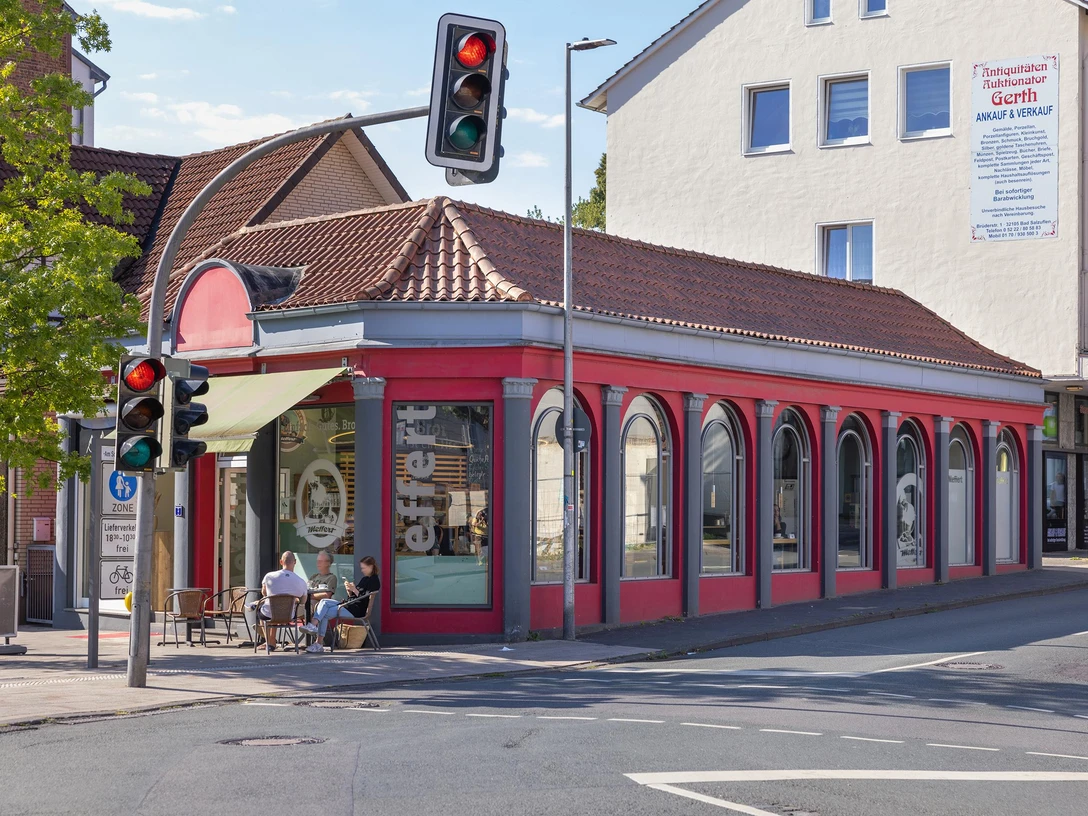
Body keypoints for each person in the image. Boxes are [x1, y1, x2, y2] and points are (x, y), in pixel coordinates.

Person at [301, 556, 380, 653]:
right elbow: (355, 596)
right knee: (324, 601)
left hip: (355, 610)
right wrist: (349, 590)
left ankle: (318, 643)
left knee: (324, 613)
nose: (362, 570)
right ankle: (313, 626)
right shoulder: (364, 579)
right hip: (349, 604)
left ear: (371, 566)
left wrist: (354, 589)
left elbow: (364, 599)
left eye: (363, 568)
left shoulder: (374, 581)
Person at [257, 551, 308, 654]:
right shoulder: (301, 581)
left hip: (269, 613)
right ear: (295, 562)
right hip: (289, 615)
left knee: (263, 609)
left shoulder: (269, 576)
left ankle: (269, 642)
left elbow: (264, 593)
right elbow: (303, 601)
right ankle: (271, 642)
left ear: (281, 562)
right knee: (278, 609)